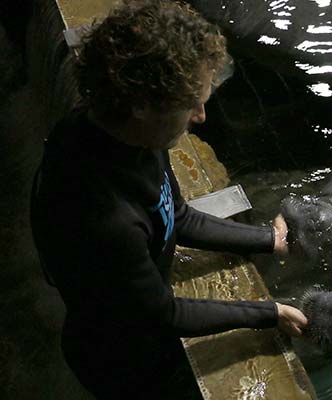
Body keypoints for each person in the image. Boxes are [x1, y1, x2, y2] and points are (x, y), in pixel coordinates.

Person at [30, 0, 307, 398]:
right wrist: (268, 312)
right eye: (190, 104)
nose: (201, 116)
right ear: (142, 105)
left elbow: (177, 215)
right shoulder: (102, 216)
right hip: (126, 364)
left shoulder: (132, 138)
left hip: (136, 322)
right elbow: (162, 314)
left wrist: (268, 240)